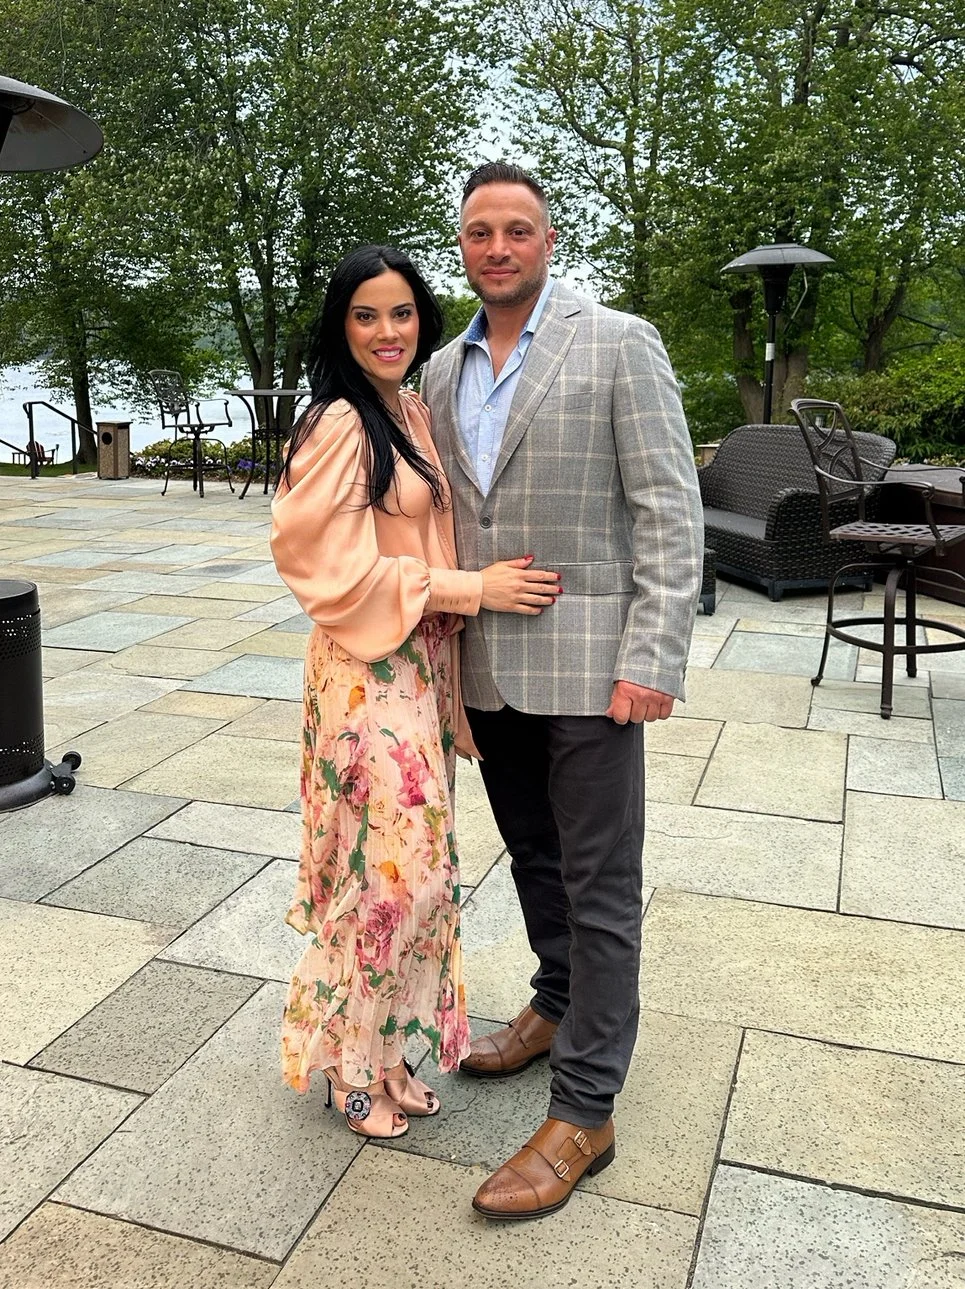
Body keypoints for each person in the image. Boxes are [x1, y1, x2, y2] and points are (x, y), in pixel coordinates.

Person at [421, 162, 703, 1217]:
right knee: (531, 855)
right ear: (462, 246)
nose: (496, 247)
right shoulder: (442, 369)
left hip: (592, 668)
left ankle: (586, 1106)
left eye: (517, 230)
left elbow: (667, 509)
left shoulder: (617, 341)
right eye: (478, 232)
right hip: (488, 668)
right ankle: (554, 1002)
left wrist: (653, 655)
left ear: (547, 240)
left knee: (599, 884)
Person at [269, 244, 561, 1140]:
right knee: (391, 874)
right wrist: (475, 590)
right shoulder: (338, 424)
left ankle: (389, 1049)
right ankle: (351, 1064)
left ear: (421, 322)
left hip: (417, 674)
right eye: (365, 316)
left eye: (401, 314)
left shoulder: (411, 412)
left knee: (418, 876)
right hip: (365, 678)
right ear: (340, 327)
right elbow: (323, 565)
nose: (387, 332)